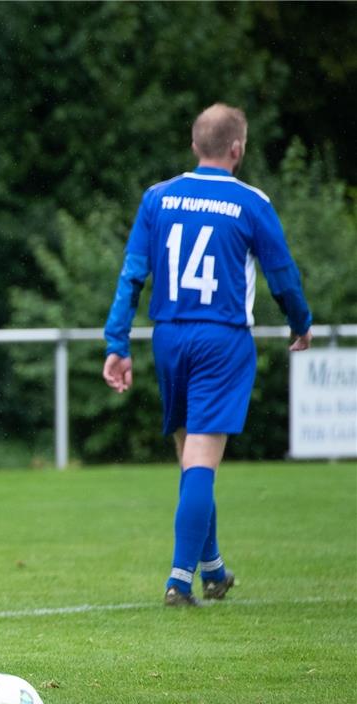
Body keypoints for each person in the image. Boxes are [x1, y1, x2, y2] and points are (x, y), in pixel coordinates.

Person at [102, 103, 313, 606]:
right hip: (221, 338)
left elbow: (132, 274)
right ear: (237, 149)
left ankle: (213, 569)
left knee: (190, 455)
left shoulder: (158, 198)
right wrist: (300, 323)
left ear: (195, 145)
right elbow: (282, 276)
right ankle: (179, 580)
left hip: (170, 336)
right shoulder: (251, 203)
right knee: (200, 458)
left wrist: (118, 343)